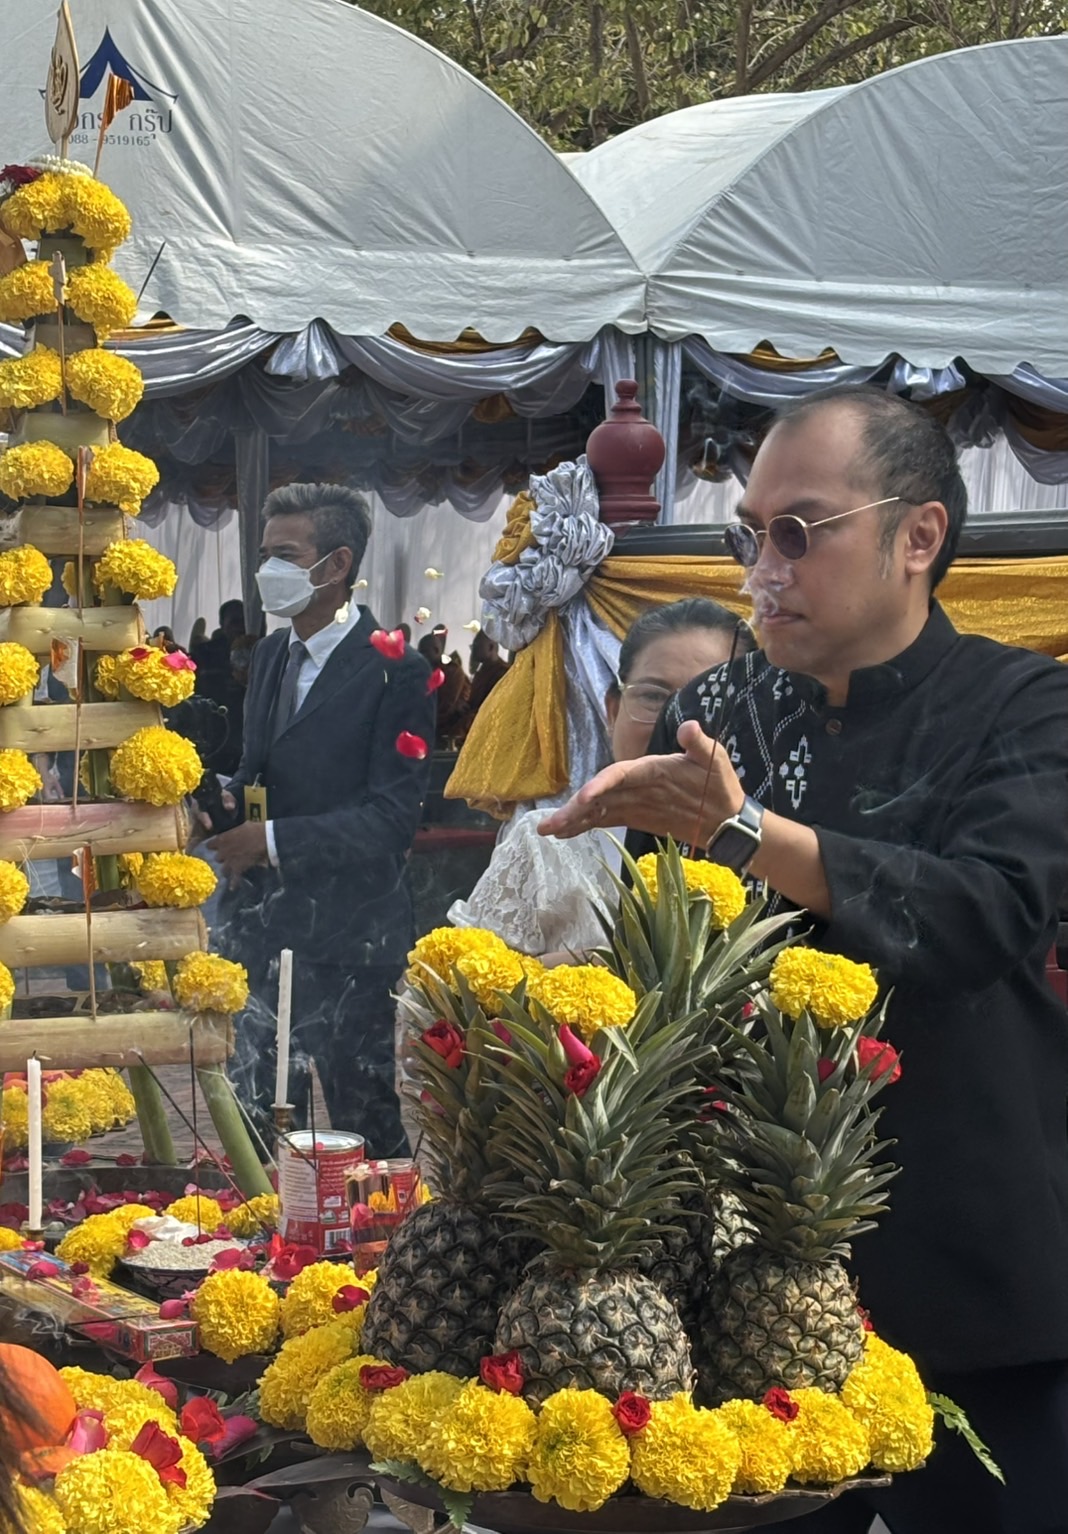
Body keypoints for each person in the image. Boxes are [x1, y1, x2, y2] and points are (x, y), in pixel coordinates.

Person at [542, 386, 1068, 1534]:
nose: (761, 566)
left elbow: (985, 913)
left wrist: (744, 833)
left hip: (969, 1258)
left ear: (916, 535)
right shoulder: (716, 709)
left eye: (799, 530)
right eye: (749, 531)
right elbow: (663, 968)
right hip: (751, 1285)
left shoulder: (1027, 707)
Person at [207, 483, 434, 1155]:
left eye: (284, 554)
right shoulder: (274, 654)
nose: (266, 571)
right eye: (264, 553)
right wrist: (216, 802)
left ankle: (373, 1251)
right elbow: (257, 770)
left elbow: (390, 821)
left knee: (363, 1129)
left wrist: (271, 841)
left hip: (352, 939)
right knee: (265, 1116)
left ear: (334, 566)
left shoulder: (401, 670)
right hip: (268, 931)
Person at [450, 599, 752, 960]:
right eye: (654, 697)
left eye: (710, 701)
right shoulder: (546, 844)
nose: (680, 724)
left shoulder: (777, 858)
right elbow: (436, 1000)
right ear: (613, 711)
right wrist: (554, 976)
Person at [419, 626, 470, 744]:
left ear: (437, 651)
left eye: (423, 652)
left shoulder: (452, 672)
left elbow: (446, 706)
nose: (420, 657)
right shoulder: (422, 672)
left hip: (448, 726)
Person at [465, 629, 509, 722]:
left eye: (477, 646)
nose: (474, 650)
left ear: (490, 647)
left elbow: (493, 706)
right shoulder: (481, 672)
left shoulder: (503, 673)